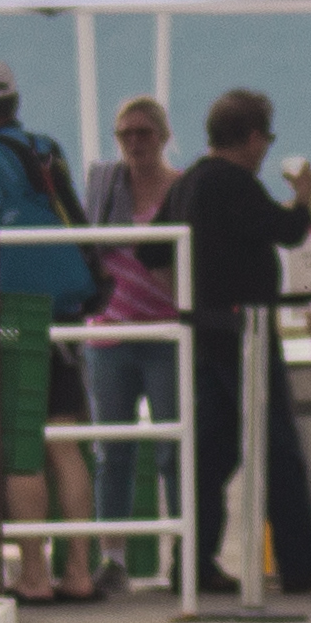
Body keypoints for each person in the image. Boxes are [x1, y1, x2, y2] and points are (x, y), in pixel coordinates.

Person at [178, 89, 311, 598]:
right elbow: (286, 231)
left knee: (212, 451)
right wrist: (305, 197)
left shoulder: (190, 184)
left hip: (203, 328)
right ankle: (299, 564)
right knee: (276, 447)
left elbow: (152, 246)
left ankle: (192, 562)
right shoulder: (233, 183)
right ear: (251, 138)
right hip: (245, 329)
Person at [0, 63, 102, 602]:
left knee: (23, 444)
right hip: (64, 303)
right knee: (64, 440)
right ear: (16, 102)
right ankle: (80, 571)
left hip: (15, 308)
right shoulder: (46, 147)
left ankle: (34, 574)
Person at [84, 97, 187, 571]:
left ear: (163, 136)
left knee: (173, 448)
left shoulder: (179, 189)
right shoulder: (106, 189)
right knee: (114, 450)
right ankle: (113, 557)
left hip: (165, 331)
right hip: (111, 333)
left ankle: (184, 551)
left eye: (144, 133)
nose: (135, 143)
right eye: (126, 134)